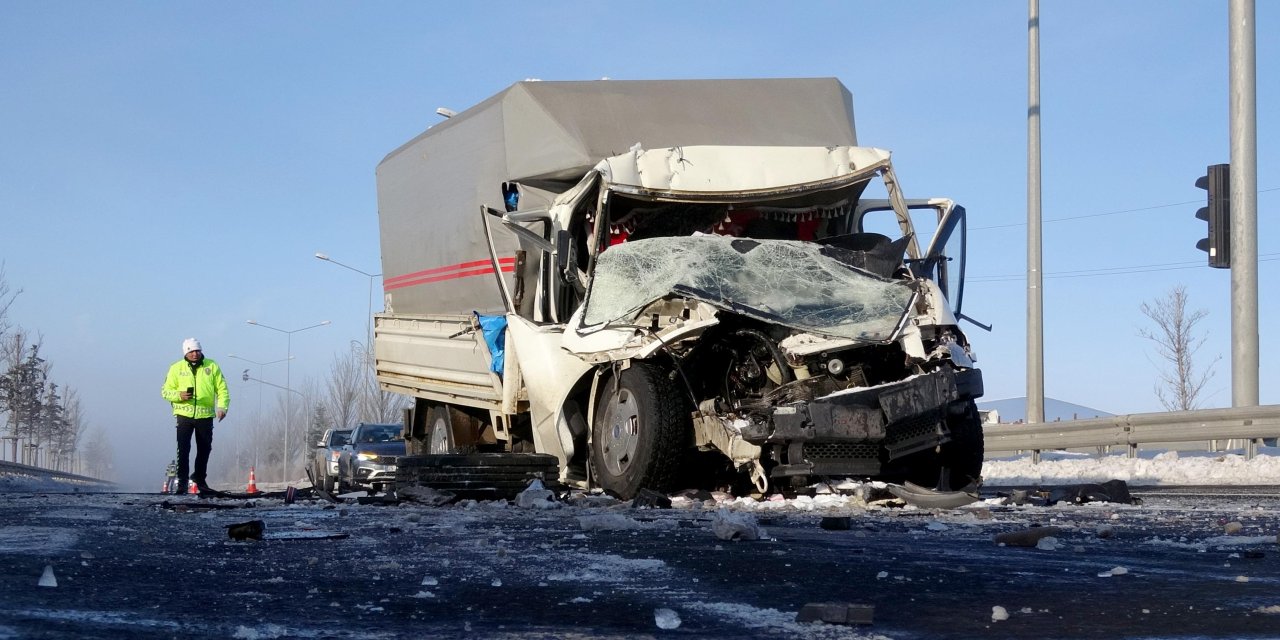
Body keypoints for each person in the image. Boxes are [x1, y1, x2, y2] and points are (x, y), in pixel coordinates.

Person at [160, 338, 229, 495]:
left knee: (205, 449)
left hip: (205, 415)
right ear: (186, 353)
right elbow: (165, 391)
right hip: (184, 415)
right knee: (183, 450)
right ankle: (182, 483)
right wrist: (179, 395)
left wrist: (222, 407)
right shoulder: (175, 368)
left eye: (197, 350)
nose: (195, 354)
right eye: (191, 351)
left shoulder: (212, 366)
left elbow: (222, 388)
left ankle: (199, 478)